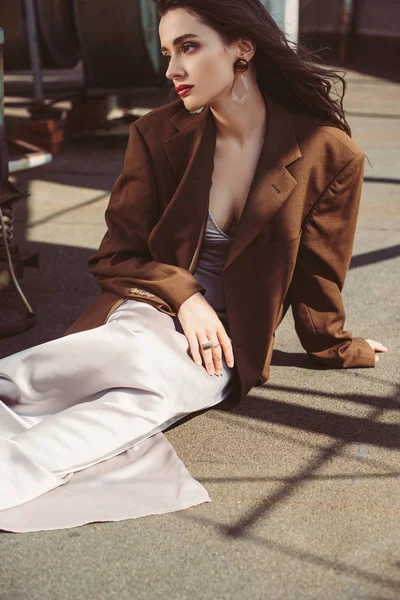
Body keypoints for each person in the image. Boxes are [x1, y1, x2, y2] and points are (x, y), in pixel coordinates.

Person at [0, 0, 387, 532]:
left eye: (189, 47)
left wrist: (339, 345)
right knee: (101, 359)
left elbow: (318, 274)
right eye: (166, 52)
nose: (172, 69)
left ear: (242, 48)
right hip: (149, 306)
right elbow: (116, 256)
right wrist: (187, 296)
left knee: (153, 386)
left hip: (225, 343)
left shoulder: (329, 153)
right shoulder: (157, 134)